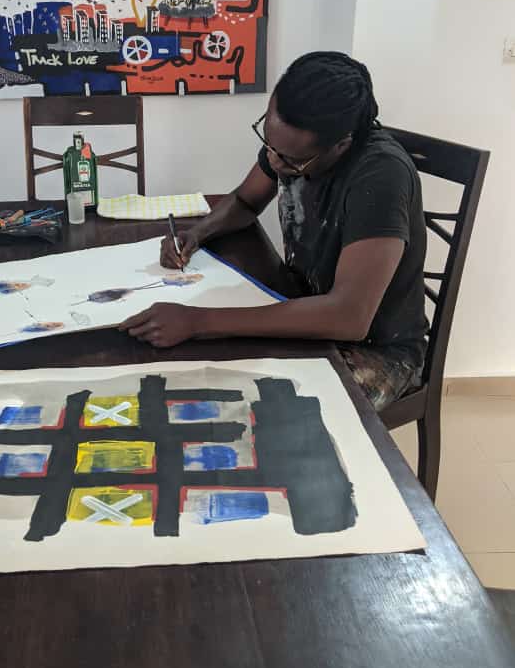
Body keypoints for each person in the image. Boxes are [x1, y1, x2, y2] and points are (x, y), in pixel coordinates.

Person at [120, 51, 428, 411]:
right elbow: (245, 201)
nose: (273, 160)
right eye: (268, 140)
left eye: (291, 159)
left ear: (341, 145)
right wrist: (197, 233)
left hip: (376, 352)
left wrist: (198, 320)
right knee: (198, 367)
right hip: (301, 304)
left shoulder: (381, 176)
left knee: (257, 408)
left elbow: (349, 317)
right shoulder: (288, 147)